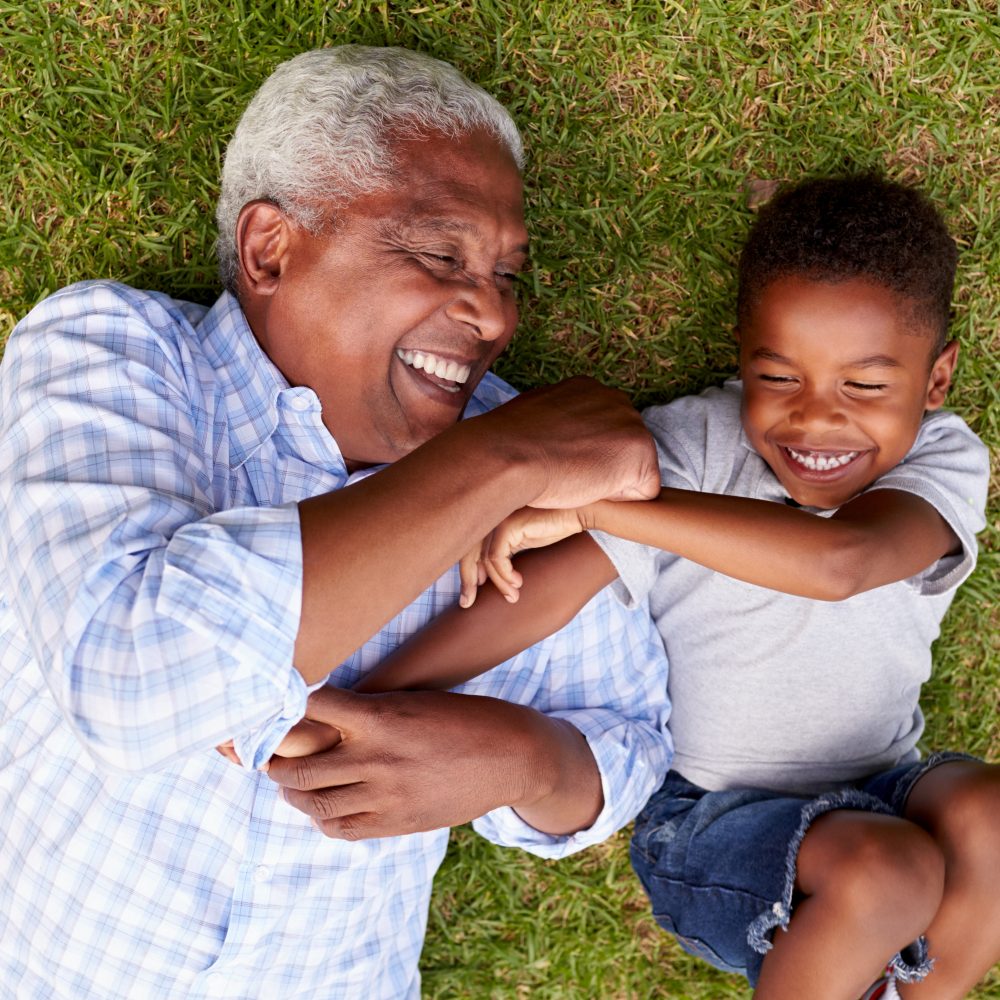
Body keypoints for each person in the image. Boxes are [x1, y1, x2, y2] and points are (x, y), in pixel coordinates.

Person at [0, 46, 674, 998]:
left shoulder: (527, 465)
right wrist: (496, 462)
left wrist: (521, 761)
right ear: (271, 248)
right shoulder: (112, 353)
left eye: (507, 275)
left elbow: (629, 739)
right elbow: (132, 679)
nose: (490, 315)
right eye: (441, 255)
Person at [353, 176, 998, 999]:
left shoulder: (940, 459)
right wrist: (378, 695)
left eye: (865, 387)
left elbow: (845, 565)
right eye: (778, 378)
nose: (815, 422)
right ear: (742, 353)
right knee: (891, 869)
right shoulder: (692, 443)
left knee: (989, 814)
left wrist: (608, 508)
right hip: (709, 823)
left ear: (936, 381)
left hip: (886, 781)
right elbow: (549, 591)